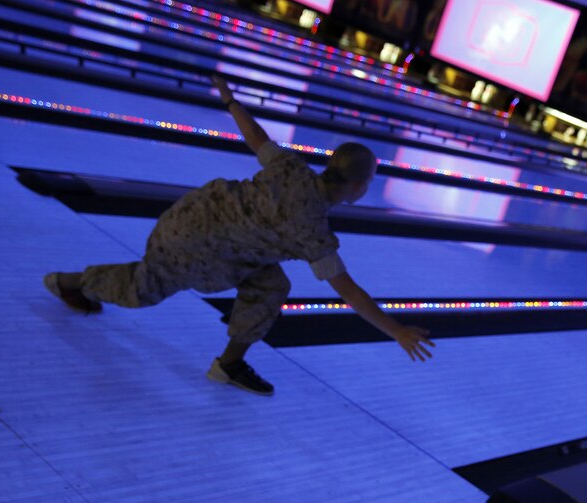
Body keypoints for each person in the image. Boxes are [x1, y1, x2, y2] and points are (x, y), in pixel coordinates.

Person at [44, 75, 435, 396]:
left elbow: (257, 138)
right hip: (195, 250)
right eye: (368, 182)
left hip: (190, 216)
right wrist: (396, 330)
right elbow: (348, 290)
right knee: (141, 289)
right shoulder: (313, 231)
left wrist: (232, 104)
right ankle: (67, 283)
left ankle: (228, 365)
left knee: (270, 284)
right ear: (357, 187)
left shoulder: (291, 168)